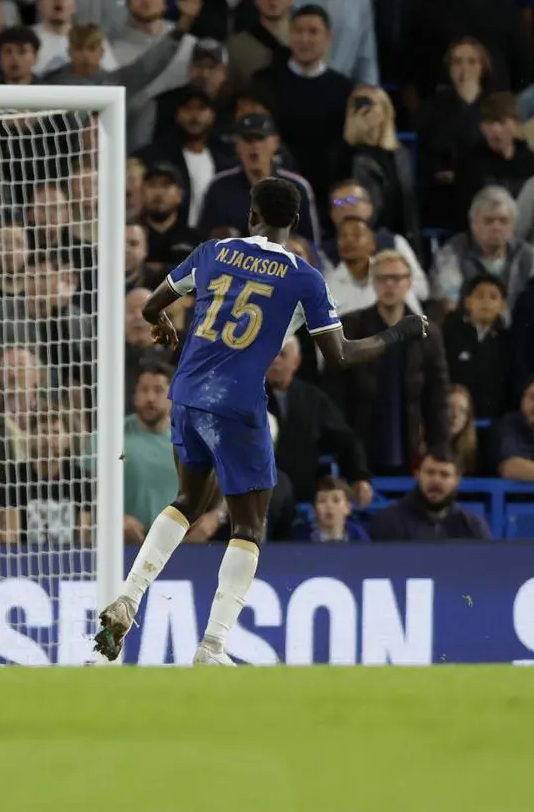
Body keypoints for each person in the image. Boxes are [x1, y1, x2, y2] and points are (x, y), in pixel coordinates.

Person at [93, 176, 428, 665]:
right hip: (238, 406)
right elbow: (340, 355)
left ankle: (128, 595)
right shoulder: (304, 277)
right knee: (249, 527)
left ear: (251, 215)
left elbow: (149, 304)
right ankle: (213, 644)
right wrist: (399, 332)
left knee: (187, 499)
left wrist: (163, 325)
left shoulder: (212, 252)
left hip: (186, 394)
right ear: (293, 223)